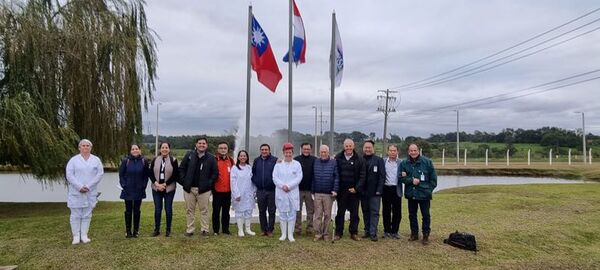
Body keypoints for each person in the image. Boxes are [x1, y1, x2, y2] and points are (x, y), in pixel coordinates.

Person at [65, 139, 104, 245]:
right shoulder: (73, 160)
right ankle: (76, 236)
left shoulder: (96, 160)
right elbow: (69, 175)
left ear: (91, 148)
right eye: (83, 146)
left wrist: (88, 186)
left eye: (88, 146)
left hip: (90, 191)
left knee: (87, 214)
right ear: (79, 148)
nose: (85, 147)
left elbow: (99, 174)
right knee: (75, 215)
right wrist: (79, 186)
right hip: (76, 191)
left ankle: (84, 235)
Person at [179, 137, 218, 238]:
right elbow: (181, 169)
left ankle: (205, 230)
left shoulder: (211, 158)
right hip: (189, 189)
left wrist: (208, 184)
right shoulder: (189, 155)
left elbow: (215, 174)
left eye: (203, 143)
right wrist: (184, 182)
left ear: (206, 145)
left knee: (204, 210)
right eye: (199, 143)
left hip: (204, 190)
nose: (201, 145)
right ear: (196, 144)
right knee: (189, 210)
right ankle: (190, 230)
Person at [399, 143, 438, 245]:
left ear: (418, 151)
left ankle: (425, 235)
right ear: (408, 152)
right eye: (411, 151)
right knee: (412, 215)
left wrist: (428, 190)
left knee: (425, 215)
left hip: (424, 195)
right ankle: (414, 234)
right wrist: (411, 180)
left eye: (414, 150)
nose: (413, 152)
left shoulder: (427, 162)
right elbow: (401, 178)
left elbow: (433, 180)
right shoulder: (404, 163)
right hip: (411, 194)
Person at [334, 138, 366, 241]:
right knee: (340, 213)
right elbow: (335, 174)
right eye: (346, 146)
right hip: (342, 191)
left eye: (350, 146)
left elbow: (362, 176)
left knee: (354, 213)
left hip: (354, 192)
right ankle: (338, 232)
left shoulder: (360, 159)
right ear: (344, 147)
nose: (348, 148)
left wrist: (356, 188)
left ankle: (354, 232)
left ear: (353, 146)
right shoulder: (338, 157)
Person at [273, 143, 303, 242]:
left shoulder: (297, 164)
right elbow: (275, 178)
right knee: (282, 213)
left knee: (292, 213)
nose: (288, 154)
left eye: (290, 152)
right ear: (283, 153)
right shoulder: (278, 165)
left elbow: (299, 177)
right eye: (286, 152)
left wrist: (289, 186)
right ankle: (283, 234)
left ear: (292, 153)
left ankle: (290, 234)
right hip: (281, 192)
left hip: (292, 192)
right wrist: (283, 186)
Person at [119, 144, 150, 238]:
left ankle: (136, 231)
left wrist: (143, 186)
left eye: (136, 149)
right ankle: (128, 231)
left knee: (137, 210)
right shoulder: (126, 161)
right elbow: (121, 175)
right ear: (130, 151)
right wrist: (124, 185)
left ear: (140, 150)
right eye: (133, 149)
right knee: (128, 210)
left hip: (139, 189)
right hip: (128, 189)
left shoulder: (144, 161)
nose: (135, 150)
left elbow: (146, 175)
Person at [149, 142, 179, 237]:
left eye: (166, 147)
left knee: (168, 209)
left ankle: (168, 230)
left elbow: (175, 175)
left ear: (169, 149)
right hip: (156, 188)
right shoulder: (155, 159)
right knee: (158, 210)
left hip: (169, 189)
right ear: (160, 149)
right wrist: (157, 184)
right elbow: (150, 173)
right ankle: (157, 229)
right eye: (162, 147)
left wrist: (165, 184)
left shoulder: (173, 160)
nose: (164, 149)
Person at [311, 145, 338, 242]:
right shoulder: (316, 162)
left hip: (329, 194)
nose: (323, 153)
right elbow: (313, 177)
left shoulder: (333, 162)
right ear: (319, 152)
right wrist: (312, 190)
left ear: (328, 152)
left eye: (325, 152)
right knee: (318, 215)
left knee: (327, 215)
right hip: (317, 193)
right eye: (321, 152)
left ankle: (325, 233)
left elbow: (336, 177)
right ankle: (318, 233)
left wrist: (335, 189)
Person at [360, 140, 385, 241]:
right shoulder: (360, 159)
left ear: (373, 148)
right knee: (365, 211)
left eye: (369, 147)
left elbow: (382, 176)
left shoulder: (379, 160)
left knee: (374, 212)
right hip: (363, 191)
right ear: (363, 148)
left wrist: (379, 190)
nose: (367, 149)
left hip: (375, 192)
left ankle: (373, 232)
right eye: (366, 147)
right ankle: (367, 230)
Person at [251, 144, 278, 237]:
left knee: (272, 211)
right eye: (262, 149)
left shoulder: (274, 160)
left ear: (269, 150)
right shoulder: (256, 160)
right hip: (260, 190)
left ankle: (270, 230)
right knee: (261, 211)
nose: (264, 151)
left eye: (266, 150)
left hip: (272, 190)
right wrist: (256, 182)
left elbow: (278, 173)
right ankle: (263, 229)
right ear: (260, 150)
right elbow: (253, 173)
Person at [230, 150, 257, 237]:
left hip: (249, 194)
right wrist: (236, 194)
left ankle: (248, 229)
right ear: (238, 157)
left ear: (247, 157)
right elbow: (233, 182)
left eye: (244, 156)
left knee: (248, 211)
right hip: (239, 194)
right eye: (241, 156)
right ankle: (240, 230)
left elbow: (252, 180)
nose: (243, 157)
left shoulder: (249, 167)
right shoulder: (234, 168)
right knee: (239, 211)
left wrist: (254, 191)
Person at [293, 143, 316, 235]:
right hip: (298, 190)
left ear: (311, 150)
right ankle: (298, 229)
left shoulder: (315, 160)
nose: (306, 151)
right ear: (301, 149)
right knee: (297, 210)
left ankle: (309, 229)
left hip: (310, 190)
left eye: (308, 149)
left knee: (310, 211)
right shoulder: (296, 160)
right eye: (304, 149)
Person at [213, 142, 234, 235]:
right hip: (217, 191)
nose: (223, 150)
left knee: (226, 211)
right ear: (218, 150)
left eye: (225, 148)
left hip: (228, 191)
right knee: (216, 211)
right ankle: (216, 230)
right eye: (221, 148)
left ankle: (225, 229)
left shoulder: (231, 161)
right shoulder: (214, 160)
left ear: (227, 150)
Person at [382, 144, 402, 239]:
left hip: (396, 189)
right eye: (391, 150)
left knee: (397, 212)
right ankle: (386, 231)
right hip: (386, 188)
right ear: (388, 151)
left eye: (394, 151)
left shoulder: (401, 163)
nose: (392, 152)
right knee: (386, 211)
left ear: (397, 152)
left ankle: (395, 231)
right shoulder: (383, 161)